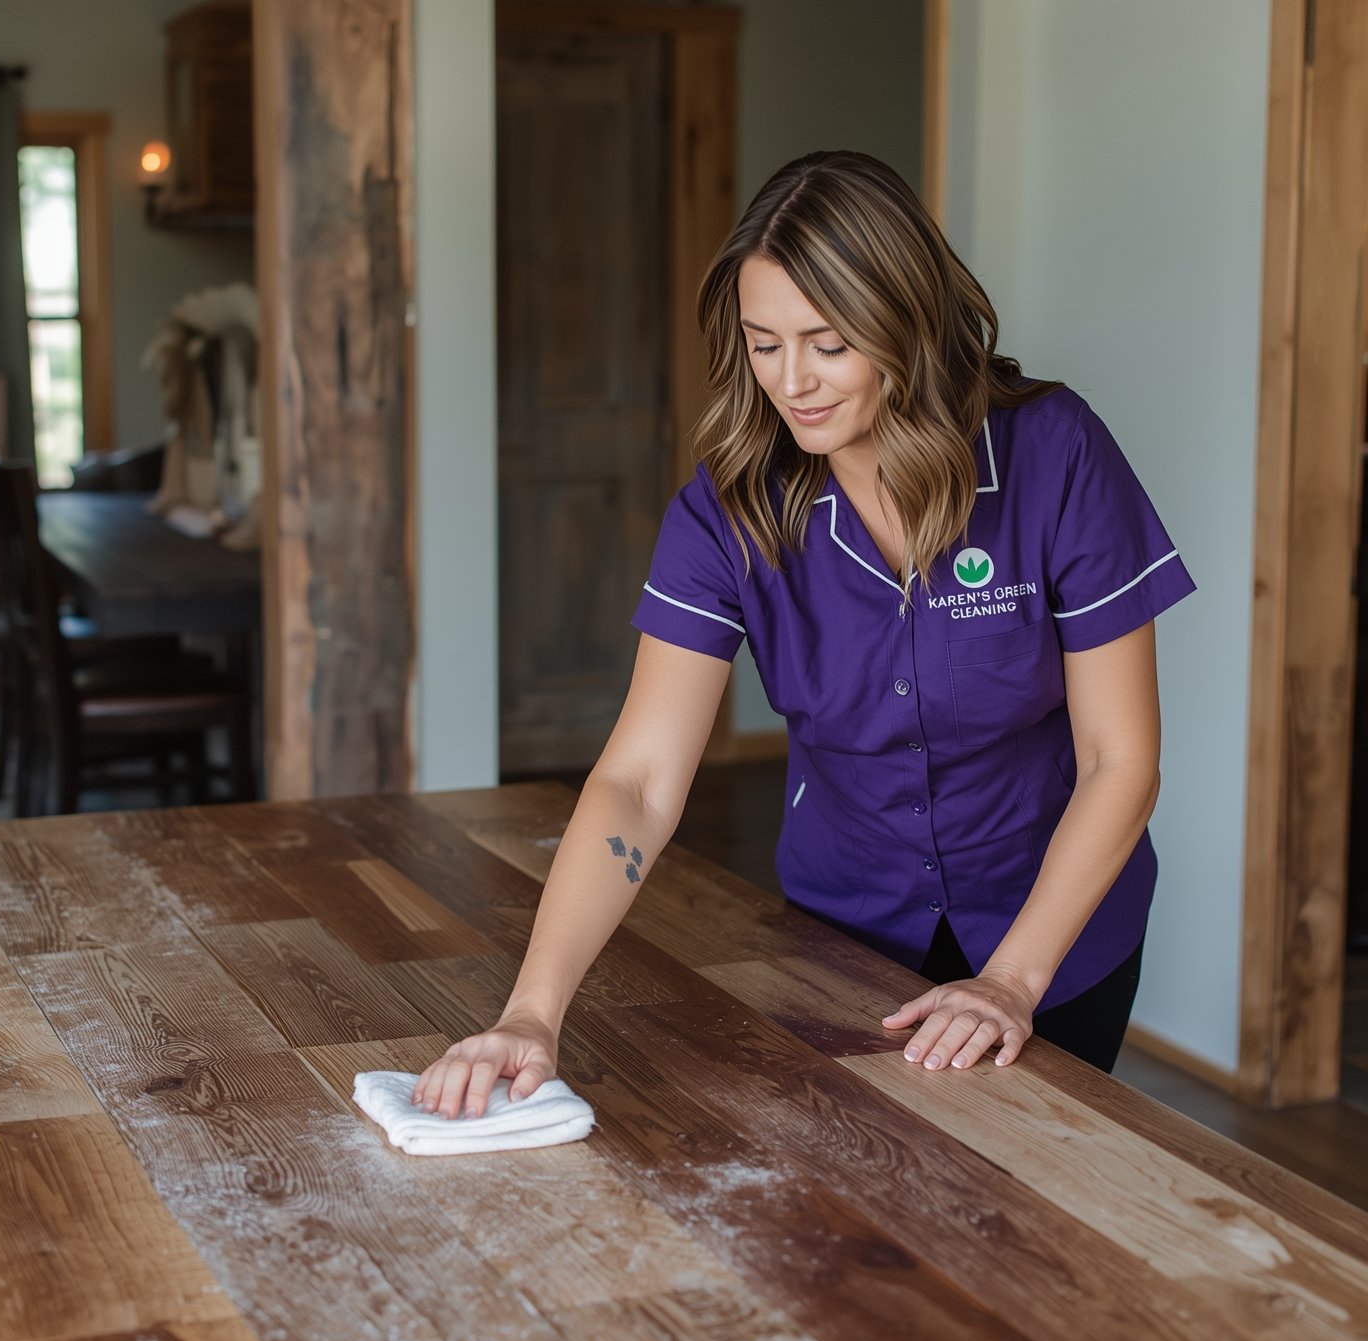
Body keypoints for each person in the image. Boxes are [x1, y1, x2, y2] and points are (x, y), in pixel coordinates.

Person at [415, 150, 1195, 1121]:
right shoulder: (729, 511)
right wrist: (533, 1013)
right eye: (764, 342)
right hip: (845, 937)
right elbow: (639, 782)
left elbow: (1121, 758)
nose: (793, 382)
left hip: (1058, 938)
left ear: (906, 323)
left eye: (828, 343)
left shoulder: (1054, 455)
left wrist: (1012, 982)